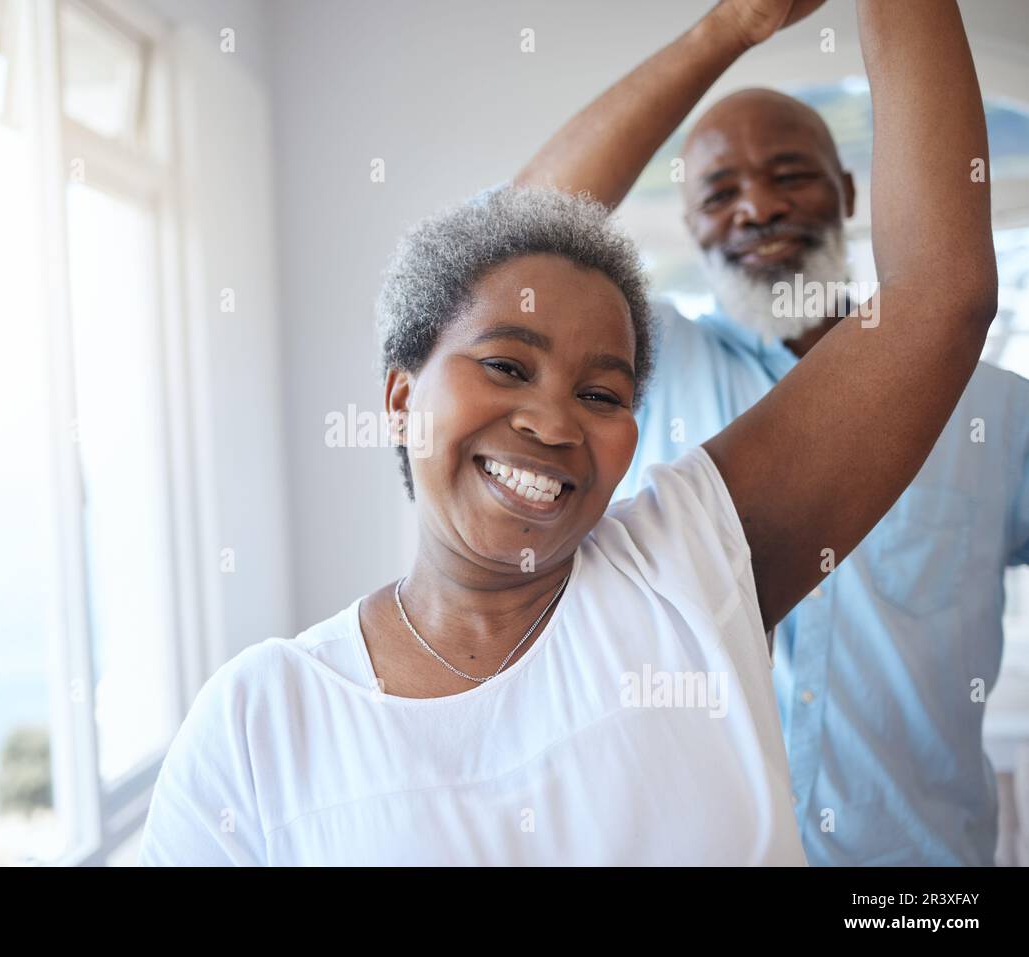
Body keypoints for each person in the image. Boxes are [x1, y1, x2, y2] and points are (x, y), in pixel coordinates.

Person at [138, 0, 996, 865]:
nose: (553, 422)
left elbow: (938, 299)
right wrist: (727, 26)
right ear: (399, 397)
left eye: (602, 392)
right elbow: (509, 235)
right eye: (507, 366)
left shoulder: (686, 565)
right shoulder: (256, 724)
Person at [508, 0, 1029, 865]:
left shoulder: (995, 412)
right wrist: (730, 28)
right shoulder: (645, 367)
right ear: (692, 227)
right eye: (718, 192)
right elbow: (509, 247)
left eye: (790, 173)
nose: (756, 206)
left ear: (850, 191)